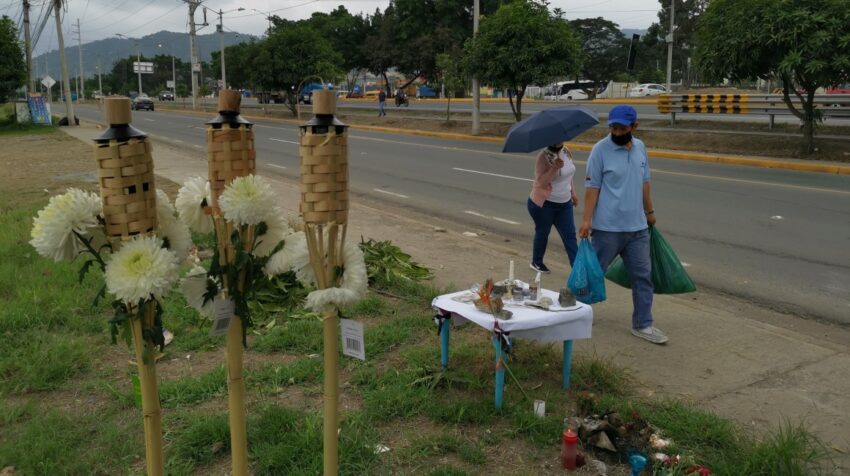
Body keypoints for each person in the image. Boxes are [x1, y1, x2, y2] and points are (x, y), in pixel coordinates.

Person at [578, 105, 666, 344]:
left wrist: (650, 211)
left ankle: (643, 324)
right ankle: (577, 315)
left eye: (622, 128)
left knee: (643, 277)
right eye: (613, 128)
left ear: (634, 127)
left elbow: (644, 183)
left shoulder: (640, 148)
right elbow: (592, 188)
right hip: (607, 229)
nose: (617, 132)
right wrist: (587, 220)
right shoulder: (600, 150)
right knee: (592, 275)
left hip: (637, 228)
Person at [528, 142, 579, 274]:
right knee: (543, 233)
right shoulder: (543, 156)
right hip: (545, 205)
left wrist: (573, 193)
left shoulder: (566, 151)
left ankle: (578, 269)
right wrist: (554, 168)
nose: (558, 141)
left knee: (570, 236)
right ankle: (536, 262)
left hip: (565, 204)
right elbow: (541, 182)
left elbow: (569, 175)